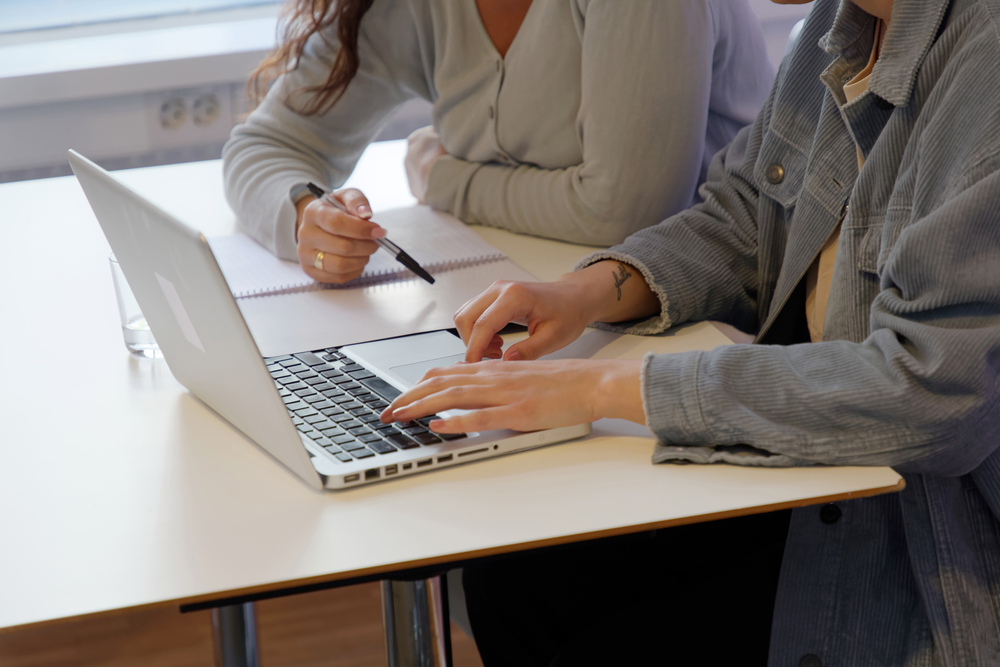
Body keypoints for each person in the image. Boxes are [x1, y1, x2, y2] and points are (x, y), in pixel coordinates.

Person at [380, 0, 1000, 663]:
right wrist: (587, 290)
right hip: (813, 473)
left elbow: (928, 388)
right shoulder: (841, 25)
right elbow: (741, 215)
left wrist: (607, 387)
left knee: (563, 610)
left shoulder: (983, 61)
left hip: (915, 547)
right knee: (515, 582)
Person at [222, 0, 774, 284]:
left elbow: (624, 213)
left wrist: (445, 178)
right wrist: (305, 216)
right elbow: (267, 144)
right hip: (537, 307)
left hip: (709, 320)